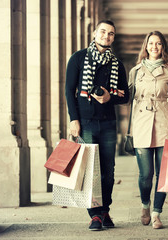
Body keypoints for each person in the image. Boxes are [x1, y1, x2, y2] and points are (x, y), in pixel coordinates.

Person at [65, 20, 129, 230]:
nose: (106, 36)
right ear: (95, 33)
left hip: (109, 123)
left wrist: (110, 97)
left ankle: (104, 210)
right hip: (86, 122)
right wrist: (74, 119)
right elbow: (69, 90)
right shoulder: (79, 58)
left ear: (113, 37)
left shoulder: (117, 64)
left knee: (108, 171)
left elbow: (125, 95)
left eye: (111, 33)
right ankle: (95, 214)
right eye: (103, 31)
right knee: (90, 170)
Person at [128, 31, 168, 229]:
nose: (154, 47)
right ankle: (145, 205)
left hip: (164, 123)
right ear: (146, 46)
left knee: (163, 173)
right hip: (141, 123)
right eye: (151, 43)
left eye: (158, 43)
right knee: (145, 175)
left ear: (163, 47)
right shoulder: (135, 71)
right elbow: (127, 98)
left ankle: (157, 213)